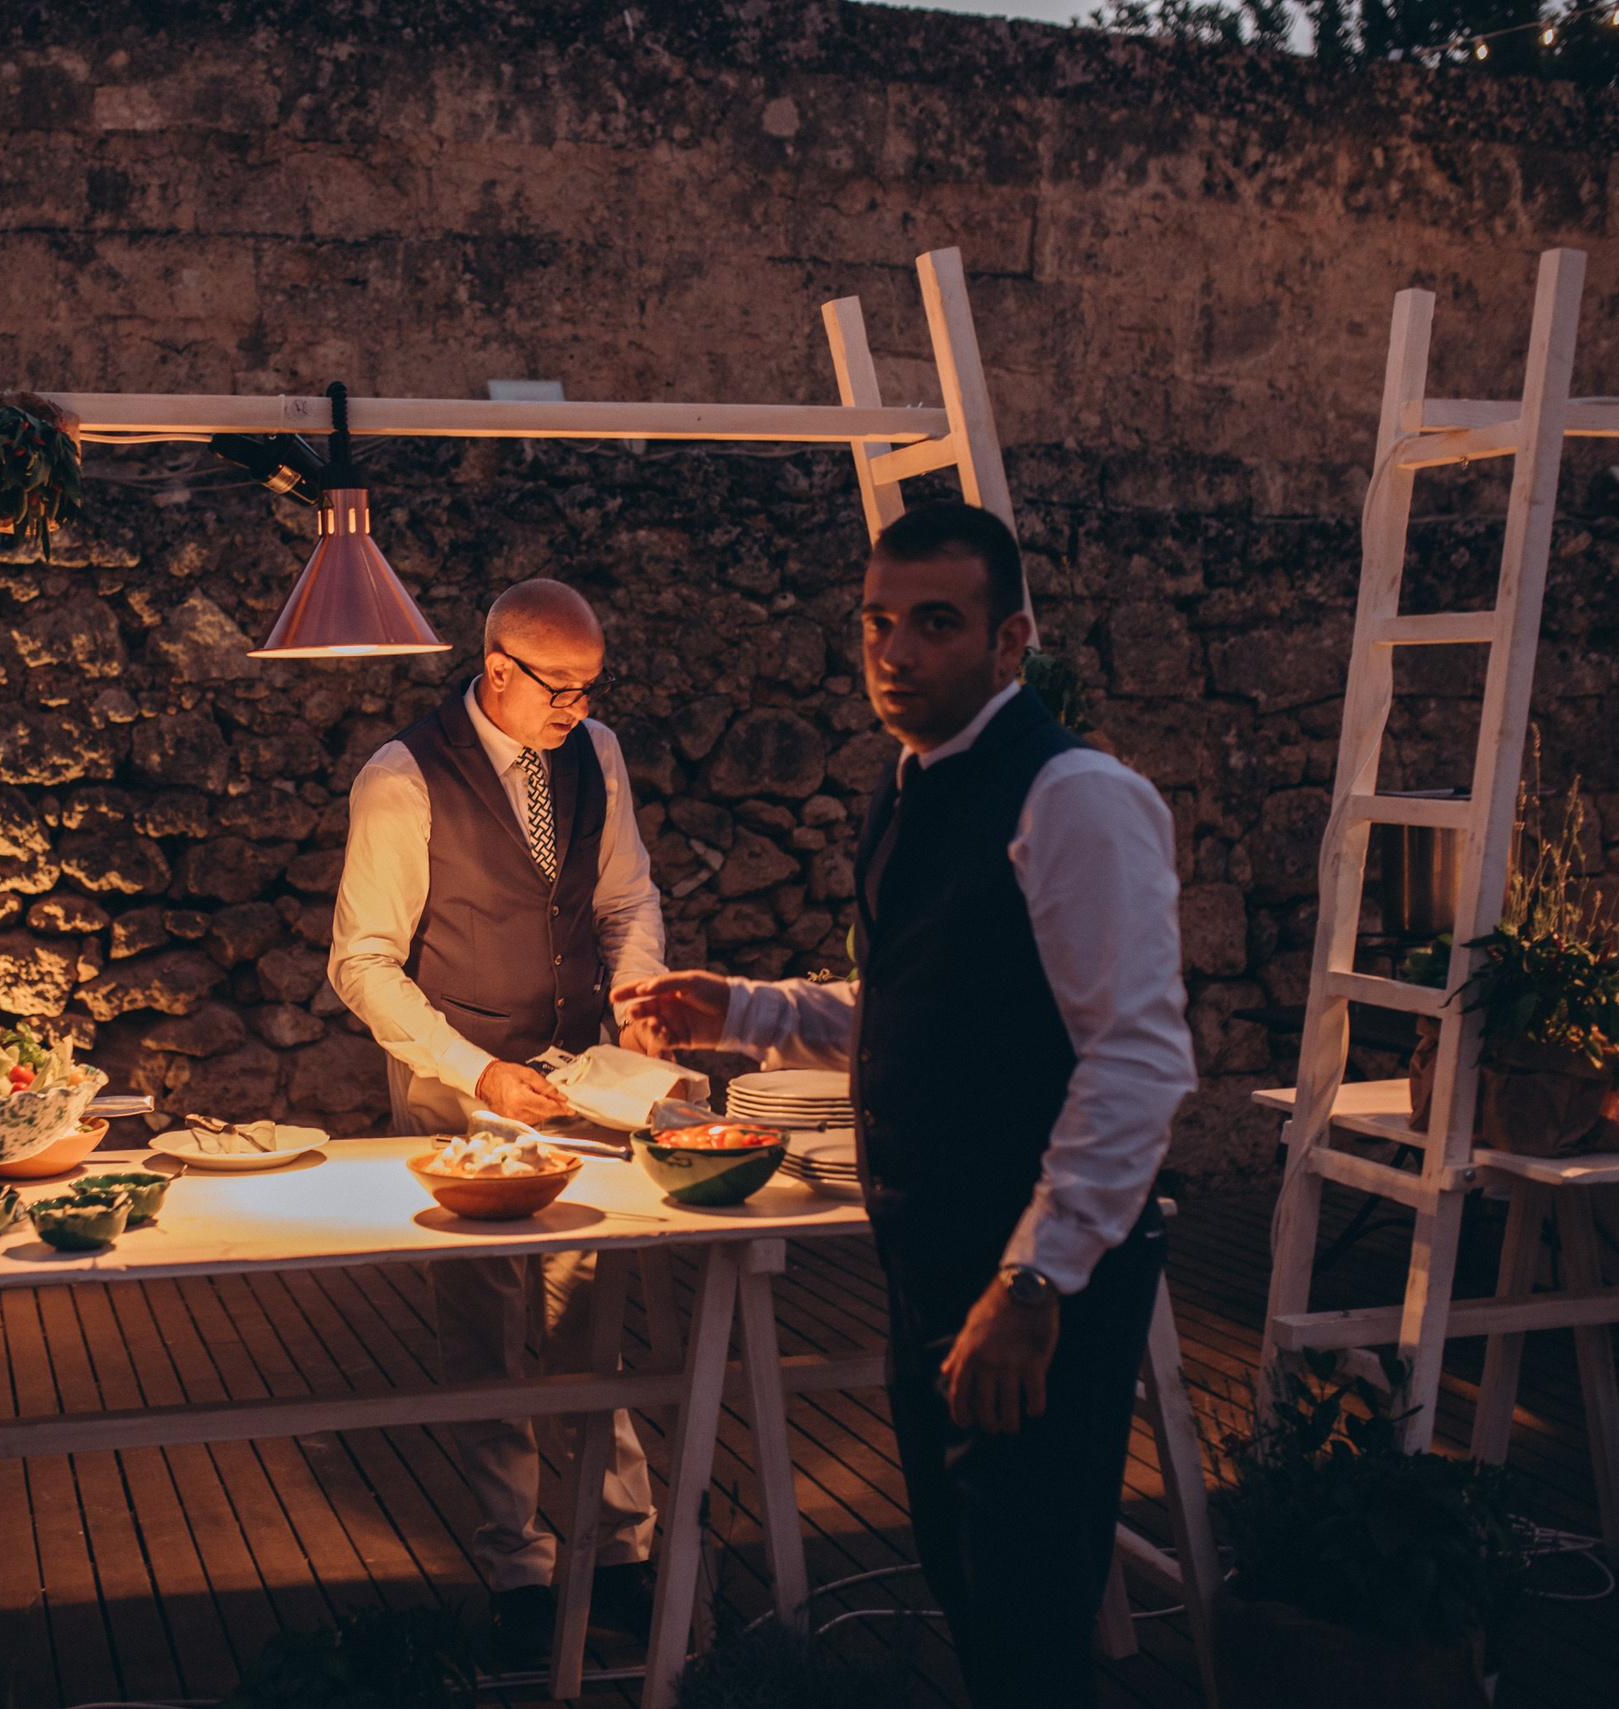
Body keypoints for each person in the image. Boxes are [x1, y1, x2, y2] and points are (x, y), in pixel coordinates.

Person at [612, 502, 1197, 1708]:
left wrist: (1037, 1279)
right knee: (973, 1597)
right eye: (879, 622)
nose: (896, 650)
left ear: (1010, 639)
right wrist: (747, 1010)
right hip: (933, 1268)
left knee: (1028, 1622)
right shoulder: (913, 785)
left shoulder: (1073, 796)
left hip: (1031, 1282)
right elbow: (927, 1007)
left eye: (936, 623)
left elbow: (1138, 1058)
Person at [326, 578, 670, 1664]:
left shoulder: (596, 753)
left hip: (582, 1080)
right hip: (453, 1085)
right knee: (485, 1334)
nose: (576, 708)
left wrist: (641, 997)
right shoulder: (400, 777)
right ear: (498, 670)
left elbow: (627, 898)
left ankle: (623, 1552)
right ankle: (517, 1566)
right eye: (558, 689)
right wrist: (478, 1072)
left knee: (590, 1319)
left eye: (589, 688)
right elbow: (362, 964)